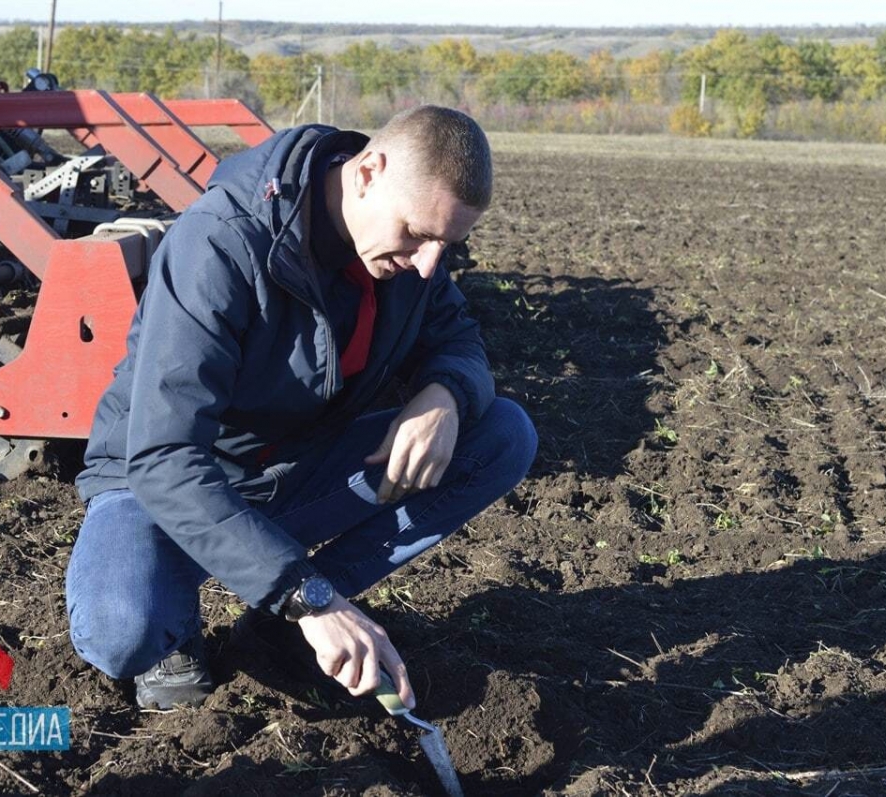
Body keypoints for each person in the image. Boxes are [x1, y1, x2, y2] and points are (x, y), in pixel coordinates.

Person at [65, 105, 536, 711]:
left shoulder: (407, 256)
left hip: (293, 468)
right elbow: (164, 455)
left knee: (502, 435)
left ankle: (282, 626)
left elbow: (457, 338)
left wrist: (443, 394)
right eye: (418, 233)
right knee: (123, 628)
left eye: (445, 244)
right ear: (368, 172)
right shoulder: (223, 244)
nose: (427, 263)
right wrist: (307, 593)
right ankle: (186, 629)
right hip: (162, 481)